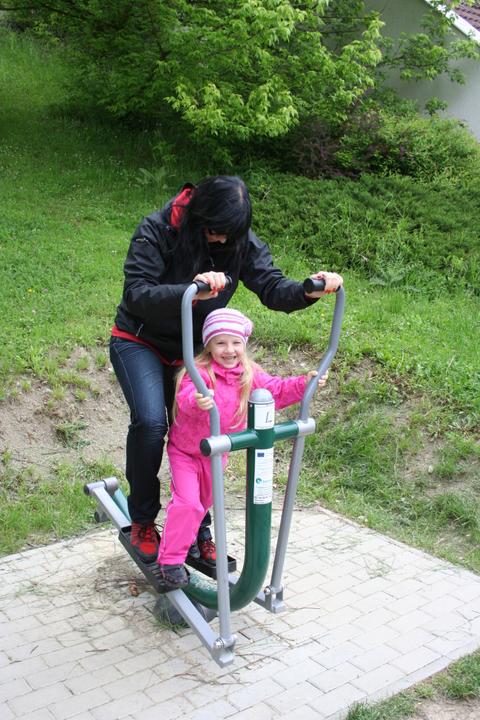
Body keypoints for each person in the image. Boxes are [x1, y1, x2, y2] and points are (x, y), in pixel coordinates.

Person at [109, 175, 343, 564]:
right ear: (198, 216)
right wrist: (191, 289)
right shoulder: (157, 230)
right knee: (151, 423)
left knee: (206, 430)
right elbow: (137, 294)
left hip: (195, 351)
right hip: (141, 341)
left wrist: (307, 290)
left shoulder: (237, 239)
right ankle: (144, 521)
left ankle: (197, 530)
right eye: (214, 231)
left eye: (229, 234)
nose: (220, 240)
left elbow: (271, 286)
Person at [156, 308, 329, 591]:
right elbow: (185, 397)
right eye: (221, 343)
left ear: (243, 344)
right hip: (185, 452)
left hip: (216, 453)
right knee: (188, 504)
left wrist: (304, 383)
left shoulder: (249, 374)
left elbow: (276, 390)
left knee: (202, 505)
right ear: (209, 345)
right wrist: (197, 400)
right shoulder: (199, 373)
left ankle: (185, 541)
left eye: (236, 342)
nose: (229, 350)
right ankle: (170, 561)